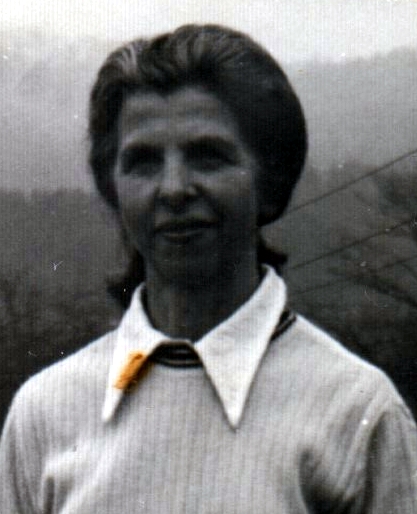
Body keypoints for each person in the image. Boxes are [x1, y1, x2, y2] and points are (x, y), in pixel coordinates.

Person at [1, 24, 416, 513]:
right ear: (112, 188)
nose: (174, 189)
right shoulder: (43, 415)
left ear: (269, 178)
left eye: (208, 157)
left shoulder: (359, 413)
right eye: (143, 162)